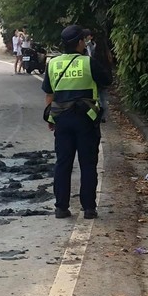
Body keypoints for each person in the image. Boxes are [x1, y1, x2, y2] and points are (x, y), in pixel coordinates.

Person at [42, 25, 112, 219]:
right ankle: (89, 208)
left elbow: (49, 94)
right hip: (86, 119)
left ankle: (61, 208)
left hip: (62, 119)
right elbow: (107, 81)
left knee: (63, 163)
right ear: (81, 42)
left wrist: (51, 117)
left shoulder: (53, 64)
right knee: (88, 163)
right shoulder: (88, 63)